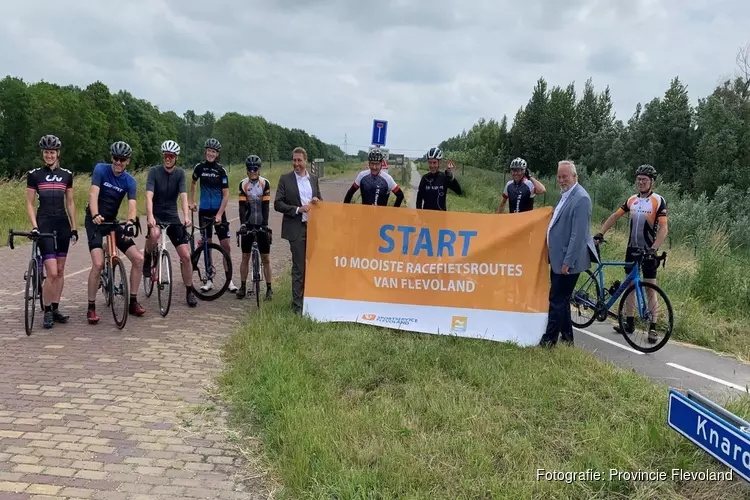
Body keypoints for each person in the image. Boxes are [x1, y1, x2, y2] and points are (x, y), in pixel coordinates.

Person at [595, 164, 668, 343]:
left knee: (650, 288)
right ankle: (629, 323)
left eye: (645, 180)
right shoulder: (632, 200)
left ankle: (653, 327)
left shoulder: (658, 200)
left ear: (652, 182)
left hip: (649, 251)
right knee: (630, 287)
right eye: (639, 179)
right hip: (632, 249)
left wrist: (654, 248)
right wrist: (601, 232)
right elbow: (615, 216)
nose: (641, 182)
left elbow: (664, 228)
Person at [85, 141, 145, 324]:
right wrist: (95, 214)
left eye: (123, 159)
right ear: (112, 158)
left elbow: (132, 205)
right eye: (116, 158)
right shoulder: (101, 170)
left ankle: (133, 301)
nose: (119, 162)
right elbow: (93, 194)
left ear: (128, 161)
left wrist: (129, 223)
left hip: (112, 222)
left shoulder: (130, 181)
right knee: (97, 264)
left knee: (138, 258)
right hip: (94, 221)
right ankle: (91, 307)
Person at [539, 160, 596, 347]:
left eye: (565, 176)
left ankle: (549, 341)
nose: (562, 180)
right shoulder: (565, 195)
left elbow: (578, 235)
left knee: (556, 299)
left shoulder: (581, 199)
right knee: (562, 299)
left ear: (574, 177)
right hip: (558, 257)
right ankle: (567, 337)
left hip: (567, 261)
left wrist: (567, 262)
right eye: (559, 177)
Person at [26, 135, 79, 329]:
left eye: (52, 152)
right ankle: (47, 310)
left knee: (61, 270)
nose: (49, 155)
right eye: (46, 152)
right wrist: (34, 225)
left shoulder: (67, 174)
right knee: (52, 272)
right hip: (44, 224)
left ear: (58, 153)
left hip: (62, 224)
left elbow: (70, 202)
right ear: (43, 153)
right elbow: (30, 204)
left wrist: (74, 226)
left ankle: (55, 308)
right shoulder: (34, 175)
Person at [143, 140, 197, 307]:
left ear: (176, 158)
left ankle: (189, 291)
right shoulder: (154, 172)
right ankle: (147, 257)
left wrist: (186, 216)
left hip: (173, 217)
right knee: (154, 234)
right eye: (166, 156)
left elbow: (183, 196)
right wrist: (150, 216)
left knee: (186, 256)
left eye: (171, 156)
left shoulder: (180, 173)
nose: (168, 159)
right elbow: (148, 196)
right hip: (157, 215)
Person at [274, 147, 322, 314]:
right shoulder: (285, 179)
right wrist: (297, 209)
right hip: (296, 228)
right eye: (294, 160)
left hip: (313, 229)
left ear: (305, 161)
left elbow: (320, 201)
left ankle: (310, 301)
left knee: (312, 266)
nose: (296, 164)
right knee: (299, 267)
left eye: (299, 160)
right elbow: (277, 203)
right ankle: (297, 307)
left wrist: (317, 201)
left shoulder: (314, 179)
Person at [188, 138, 238, 294]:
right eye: (209, 151)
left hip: (218, 212)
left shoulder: (221, 170)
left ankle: (229, 280)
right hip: (204, 211)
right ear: (206, 151)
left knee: (226, 246)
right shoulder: (200, 167)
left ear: (217, 154)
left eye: (213, 152)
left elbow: (226, 195)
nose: (211, 154)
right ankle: (209, 279)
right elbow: (193, 183)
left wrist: (219, 214)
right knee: (206, 245)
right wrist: (192, 201)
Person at [237, 154, 273, 301]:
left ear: (259, 170)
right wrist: (243, 224)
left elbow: (266, 207)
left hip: (261, 223)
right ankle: (243, 286)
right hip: (248, 223)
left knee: (266, 258)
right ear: (247, 170)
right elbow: (241, 207)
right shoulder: (243, 184)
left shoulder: (265, 184)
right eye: (250, 169)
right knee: (245, 256)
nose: (253, 171)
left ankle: (269, 288)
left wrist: (265, 225)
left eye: (255, 168)